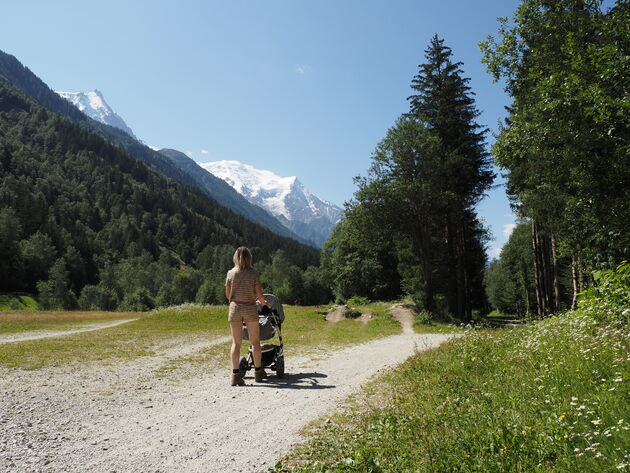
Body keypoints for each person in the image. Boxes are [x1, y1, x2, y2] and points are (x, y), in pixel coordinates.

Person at [225, 246, 268, 386]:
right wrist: (265, 305)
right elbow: (260, 295)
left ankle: (235, 375)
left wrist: (235, 300)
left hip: (235, 308)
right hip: (250, 308)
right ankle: (258, 372)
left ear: (235, 257)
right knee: (255, 342)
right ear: (249, 258)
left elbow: (227, 294)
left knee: (236, 343)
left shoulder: (230, 273)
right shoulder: (254, 274)